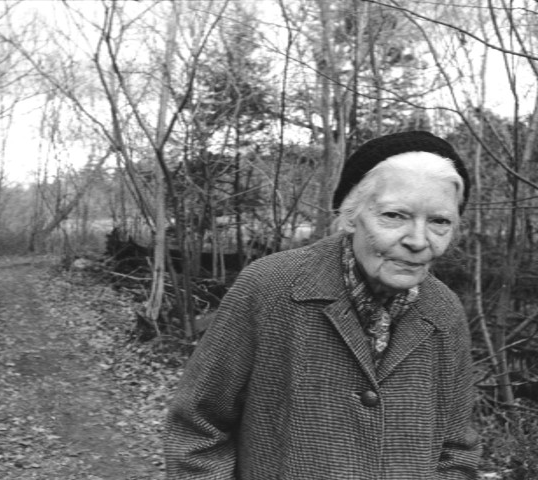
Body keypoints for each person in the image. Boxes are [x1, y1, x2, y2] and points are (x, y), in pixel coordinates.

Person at [164, 130, 480, 479]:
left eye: (439, 222)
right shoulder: (271, 286)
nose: (419, 241)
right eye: (394, 215)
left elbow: (457, 451)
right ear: (350, 215)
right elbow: (197, 425)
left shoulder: (445, 313)